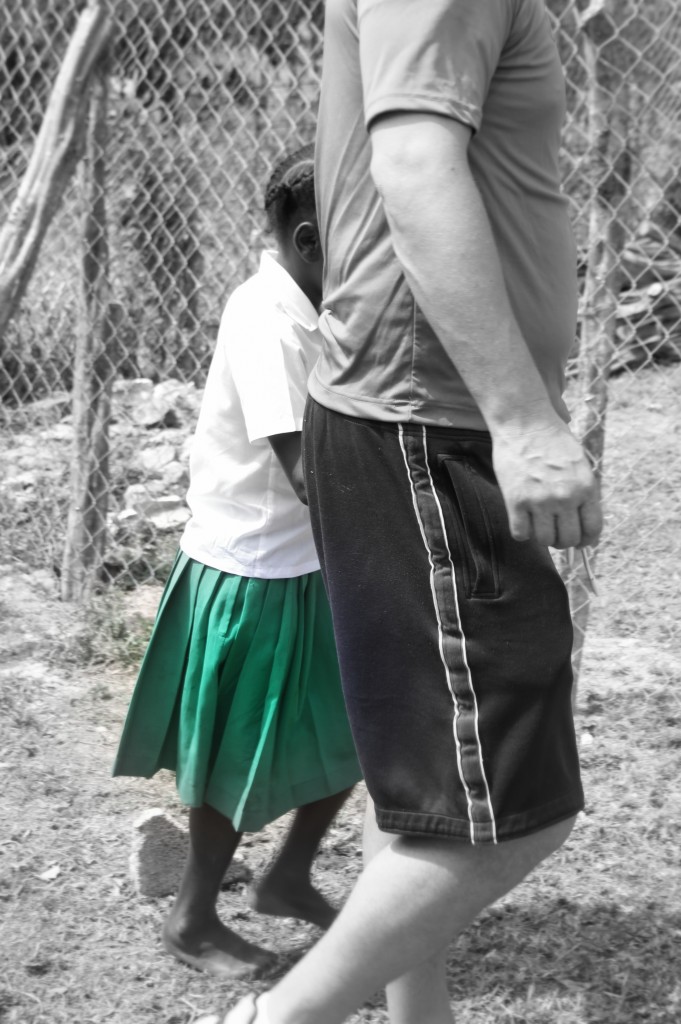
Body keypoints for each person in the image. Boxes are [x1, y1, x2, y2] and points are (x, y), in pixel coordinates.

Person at [222, 1, 604, 1023]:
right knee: (510, 814)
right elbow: (415, 168)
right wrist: (521, 420)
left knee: (430, 791)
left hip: (407, 418)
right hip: (433, 422)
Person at [112, 145, 361, 980]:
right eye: (369, 233)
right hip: (253, 574)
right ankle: (191, 916)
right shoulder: (266, 320)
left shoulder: (318, 306)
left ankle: (287, 875)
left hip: (308, 567)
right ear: (308, 241)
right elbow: (306, 474)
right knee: (233, 759)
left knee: (366, 728)